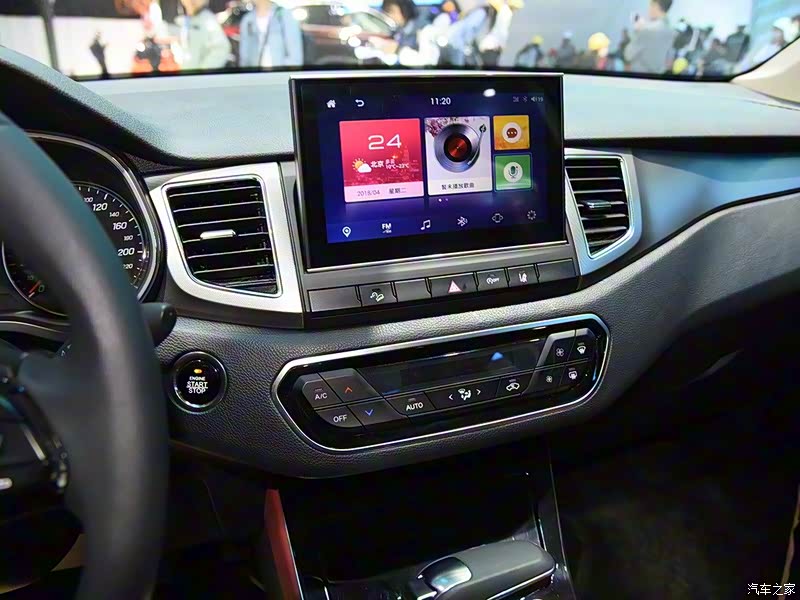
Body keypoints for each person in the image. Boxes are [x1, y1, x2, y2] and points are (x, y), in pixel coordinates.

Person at [238, 0, 304, 68]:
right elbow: (244, 57)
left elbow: (295, 57)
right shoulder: (247, 20)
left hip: (280, 72)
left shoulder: (284, 15)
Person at [175, 0, 231, 70]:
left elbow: (221, 48)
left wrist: (203, 72)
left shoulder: (207, 20)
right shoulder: (189, 19)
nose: (191, 2)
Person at [624, 0, 676, 74]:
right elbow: (668, 61)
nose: (649, 9)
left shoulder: (647, 29)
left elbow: (628, 54)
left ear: (656, 5)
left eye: (650, 5)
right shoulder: (671, 32)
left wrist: (637, 31)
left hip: (637, 75)